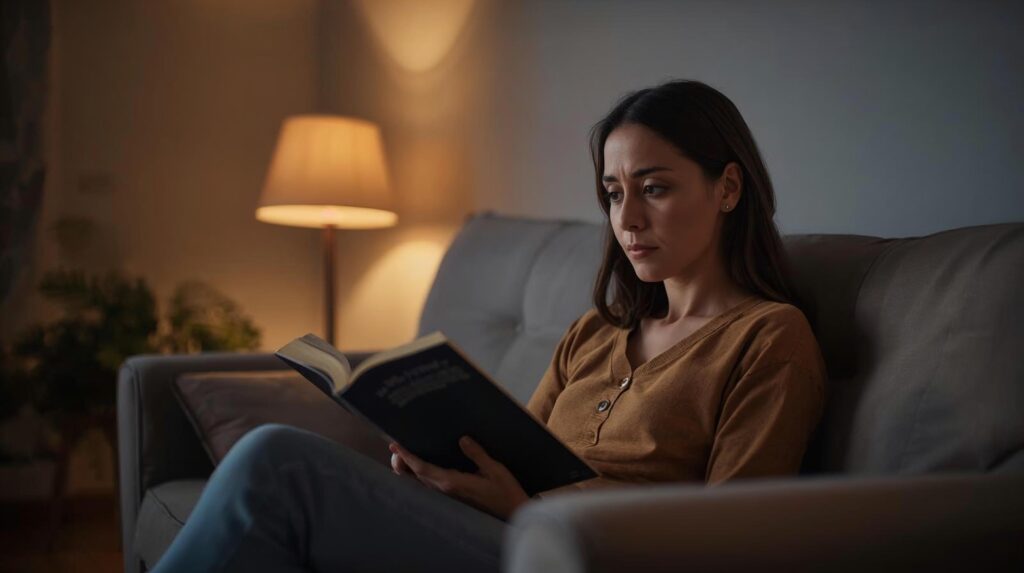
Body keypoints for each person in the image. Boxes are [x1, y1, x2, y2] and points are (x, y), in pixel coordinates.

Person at [150, 79, 828, 572]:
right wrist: (441, 467)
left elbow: (734, 539)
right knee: (285, 484)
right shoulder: (594, 333)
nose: (626, 220)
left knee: (278, 460)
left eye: (654, 187)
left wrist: (525, 507)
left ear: (729, 189)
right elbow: (516, 453)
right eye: (614, 193)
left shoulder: (769, 338)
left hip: (571, 554)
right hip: (507, 531)